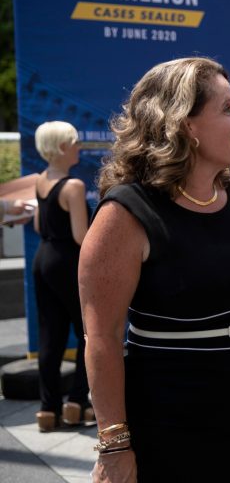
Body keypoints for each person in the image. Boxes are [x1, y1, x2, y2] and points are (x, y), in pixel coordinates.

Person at [79, 57, 230, 482]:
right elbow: (102, 338)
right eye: (227, 108)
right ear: (184, 124)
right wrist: (114, 445)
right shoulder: (127, 212)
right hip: (170, 421)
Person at [31, 121, 91, 432]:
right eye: (75, 142)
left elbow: (38, 225)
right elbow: (82, 237)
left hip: (43, 259)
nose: (79, 147)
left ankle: (48, 409)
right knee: (87, 332)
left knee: (50, 335)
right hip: (67, 262)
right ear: (62, 147)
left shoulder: (41, 180)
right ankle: (77, 402)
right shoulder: (73, 187)